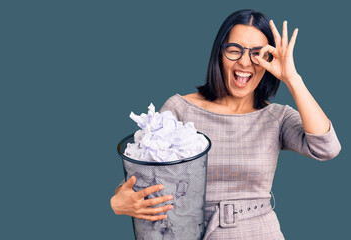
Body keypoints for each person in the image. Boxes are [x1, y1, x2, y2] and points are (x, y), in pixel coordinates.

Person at [110, 9, 341, 239]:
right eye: (234, 50)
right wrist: (119, 199)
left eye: (257, 53)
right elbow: (143, 175)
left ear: (269, 60)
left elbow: (326, 147)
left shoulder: (276, 117)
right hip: (193, 231)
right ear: (219, 53)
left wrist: (292, 78)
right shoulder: (180, 109)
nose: (244, 62)